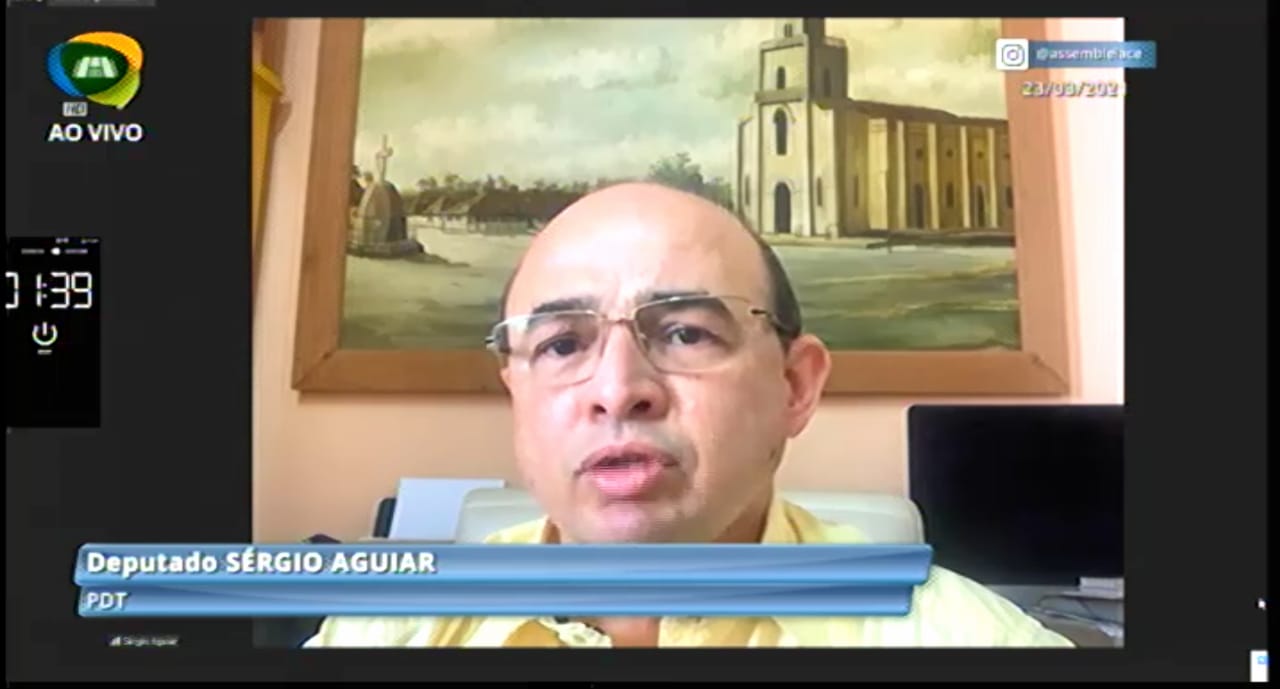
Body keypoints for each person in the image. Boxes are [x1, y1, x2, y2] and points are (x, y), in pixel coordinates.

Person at [304, 182, 1074, 648]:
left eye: (684, 333)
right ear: (517, 393)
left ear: (794, 386)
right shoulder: (386, 627)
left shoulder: (972, 642)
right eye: (562, 343)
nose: (618, 390)